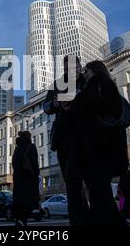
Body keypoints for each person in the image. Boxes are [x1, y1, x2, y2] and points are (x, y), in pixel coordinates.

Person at [71, 60, 126, 226]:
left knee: (99, 191)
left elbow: (113, 110)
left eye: (86, 71)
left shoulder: (105, 85)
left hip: (101, 148)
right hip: (92, 148)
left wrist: (84, 98)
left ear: (95, 71)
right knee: (99, 192)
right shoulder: (88, 89)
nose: (84, 74)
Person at [43, 55, 89, 226]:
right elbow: (46, 107)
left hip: (88, 136)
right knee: (72, 185)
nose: (70, 69)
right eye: (66, 66)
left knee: (93, 181)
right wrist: (56, 104)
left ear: (79, 65)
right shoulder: (57, 83)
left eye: (73, 65)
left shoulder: (87, 79)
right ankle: (78, 221)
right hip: (65, 138)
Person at [11, 131, 40, 226]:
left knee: (19, 201)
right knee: (27, 201)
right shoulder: (31, 147)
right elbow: (34, 163)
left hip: (18, 178)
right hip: (28, 178)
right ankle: (23, 220)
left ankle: (19, 220)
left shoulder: (17, 148)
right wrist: (35, 173)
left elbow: (14, 163)